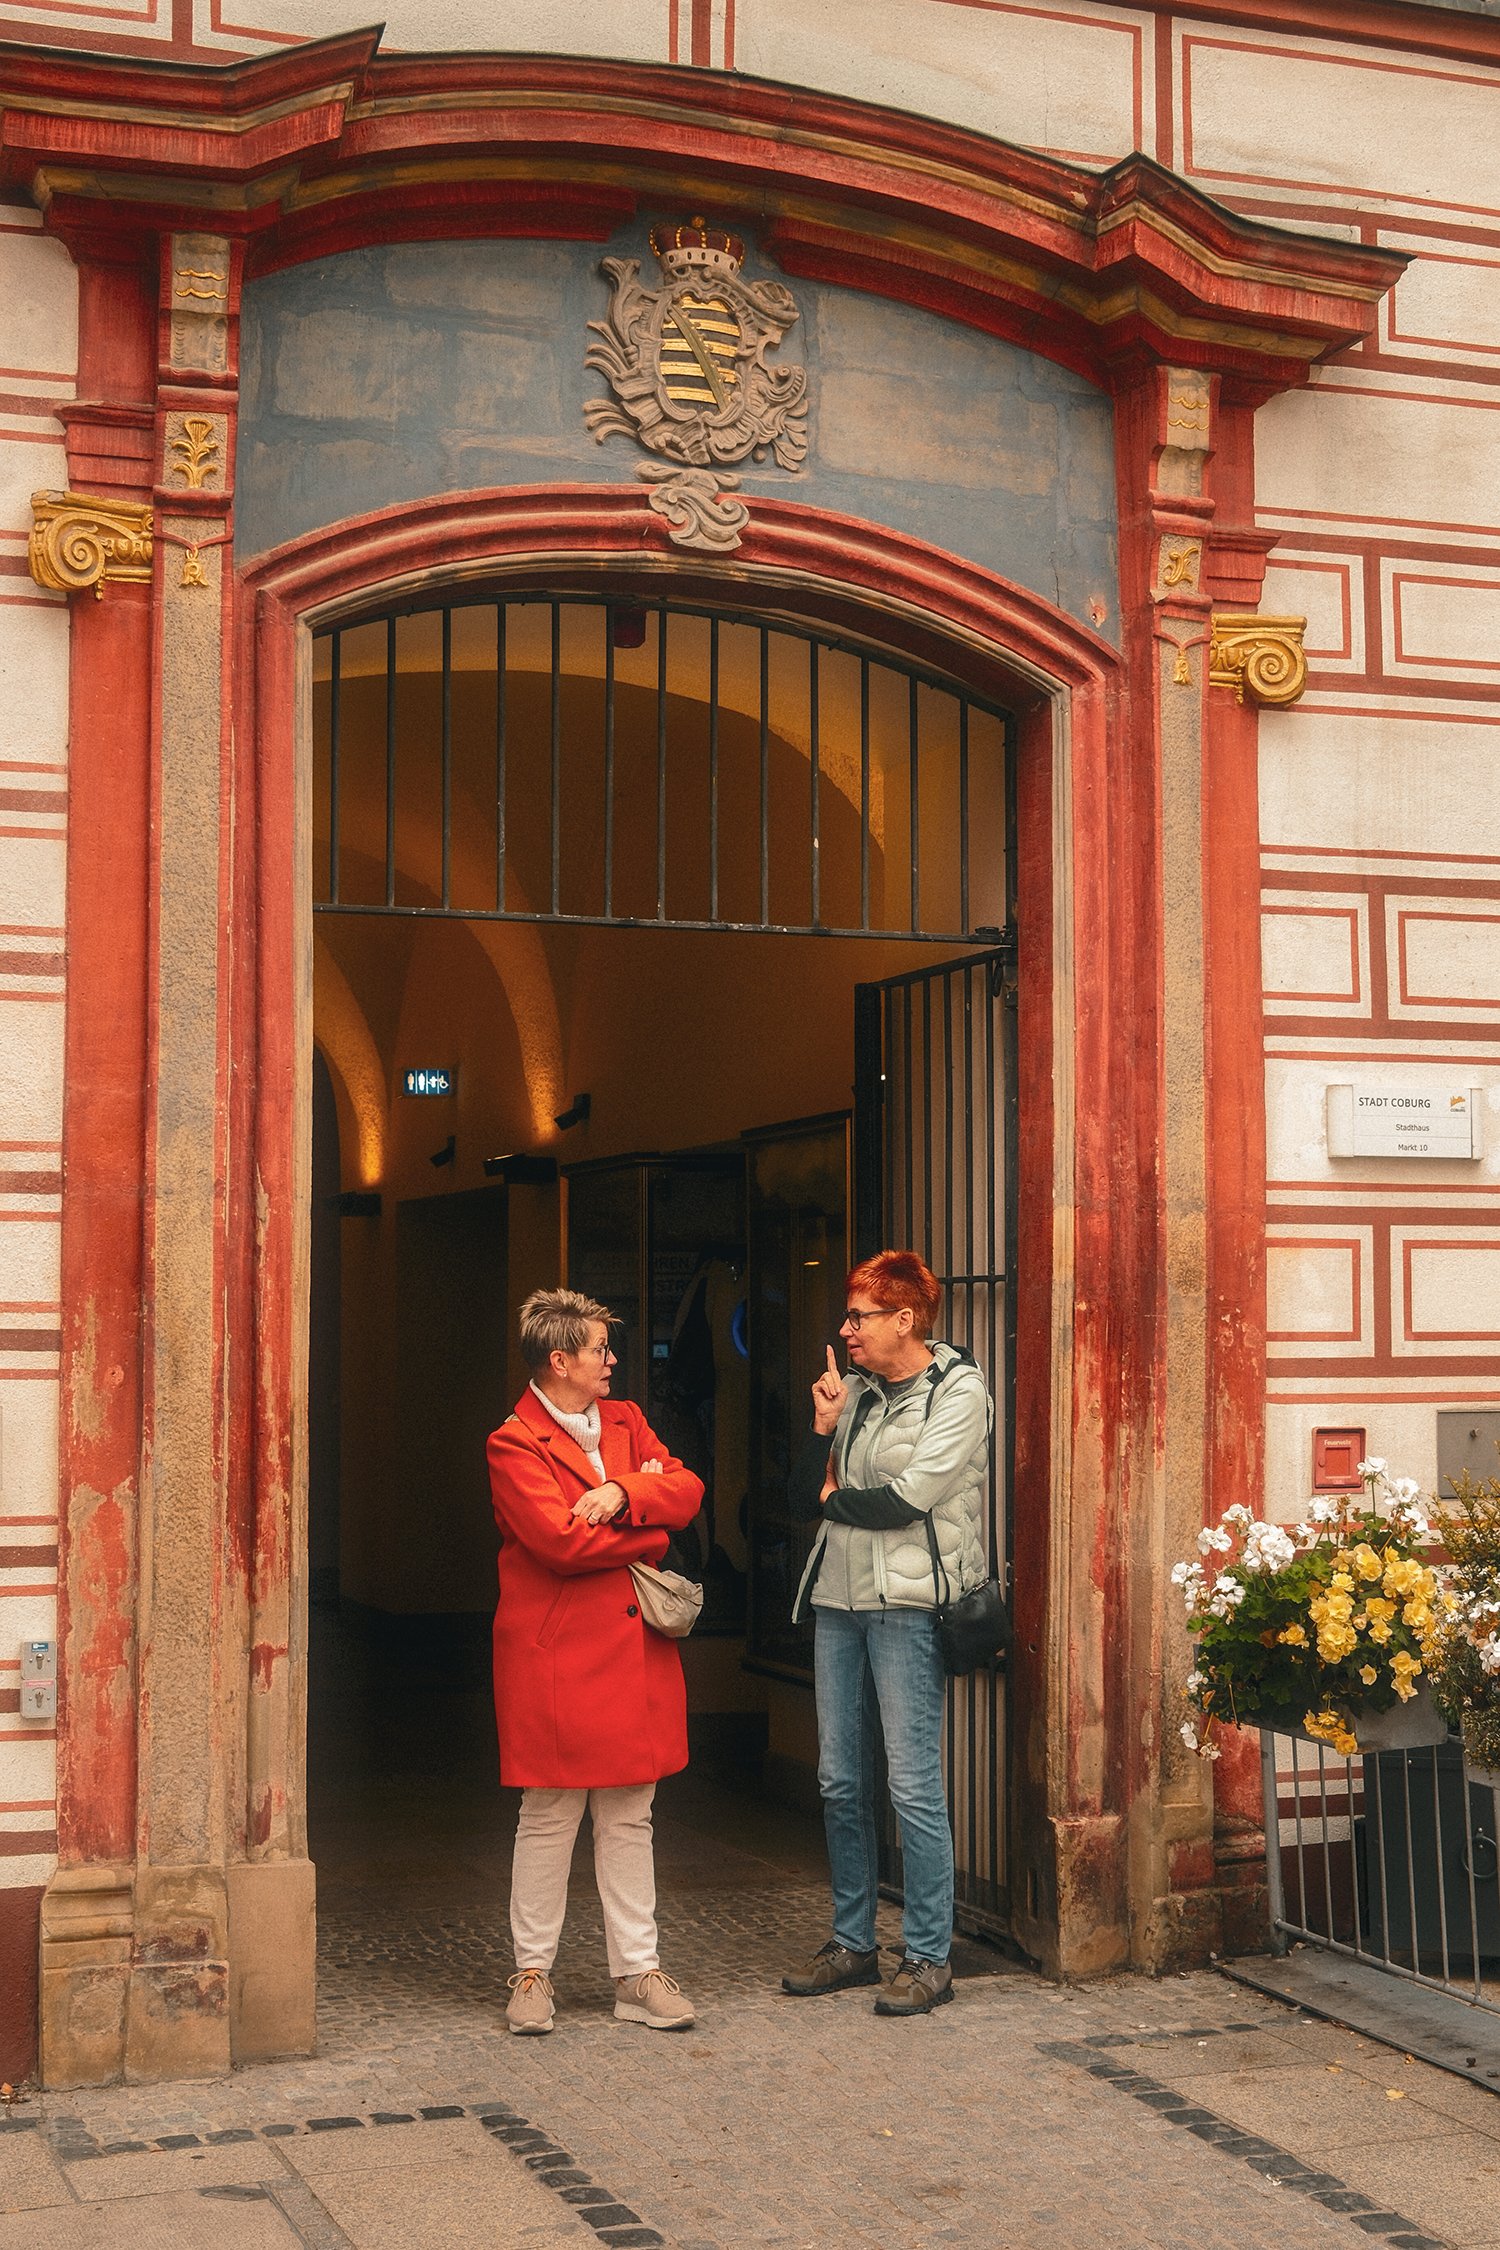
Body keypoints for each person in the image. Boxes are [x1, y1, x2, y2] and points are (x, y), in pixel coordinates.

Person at [487, 1286, 705, 2035]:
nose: (612, 1360)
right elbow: (557, 1543)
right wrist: (649, 1538)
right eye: (599, 1349)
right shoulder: (512, 1442)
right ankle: (531, 1974)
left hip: (630, 1651)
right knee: (548, 1813)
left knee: (629, 1814)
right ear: (560, 1360)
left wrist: (621, 1490)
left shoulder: (627, 1421)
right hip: (554, 1657)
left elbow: (687, 1488)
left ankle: (637, 1975)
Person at [782, 1250, 992, 2016]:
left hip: (906, 1607)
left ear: (906, 1319)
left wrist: (839, 1496)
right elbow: (804, 1491)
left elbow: (908, 1500)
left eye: (859, 1316)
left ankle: (930, 1957)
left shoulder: (960, 1393)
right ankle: (853, 1945)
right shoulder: (860, 1394)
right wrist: (823, 1428)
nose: (846, 1330)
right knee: (839, 1779)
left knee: (911, 1784)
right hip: (838, 1599)